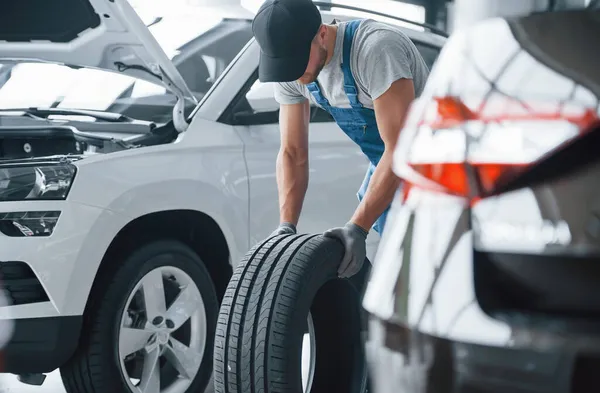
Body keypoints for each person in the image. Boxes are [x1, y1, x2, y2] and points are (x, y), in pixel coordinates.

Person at [252, 0, 429, 278]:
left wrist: (357, 227)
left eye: (298, 61)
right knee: (395, 273)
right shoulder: (292, 69)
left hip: (434, 168)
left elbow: (400, 148)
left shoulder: (376, 50)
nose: (296, 76)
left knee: (424, 268)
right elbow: (293, 152)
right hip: (387, 165)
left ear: (322, 33)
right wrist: (286, 226)